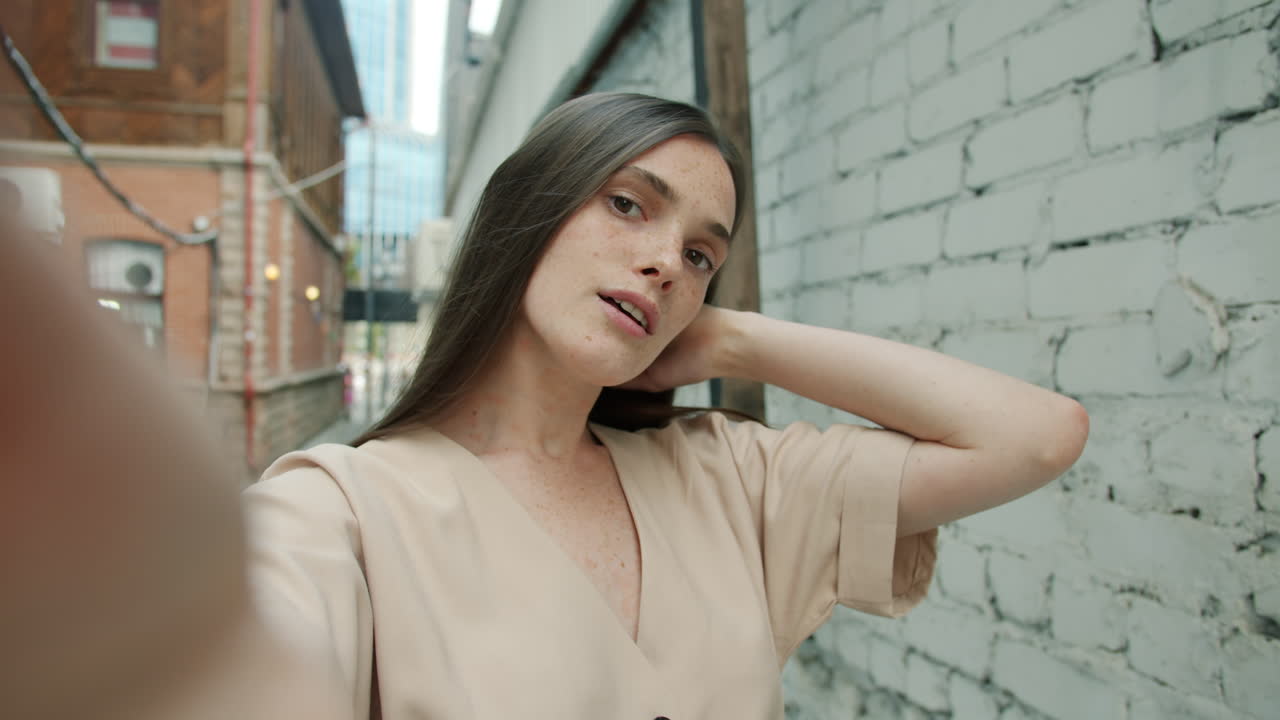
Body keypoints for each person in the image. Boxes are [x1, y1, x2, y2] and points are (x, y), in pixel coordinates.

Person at [0, 93, 1087, 720]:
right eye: (628, 205)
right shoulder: (341, 512)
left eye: (700, 254)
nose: (664, 261)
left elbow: (1035, 436)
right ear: (528, 212)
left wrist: (732, 336)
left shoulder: (733, 479)